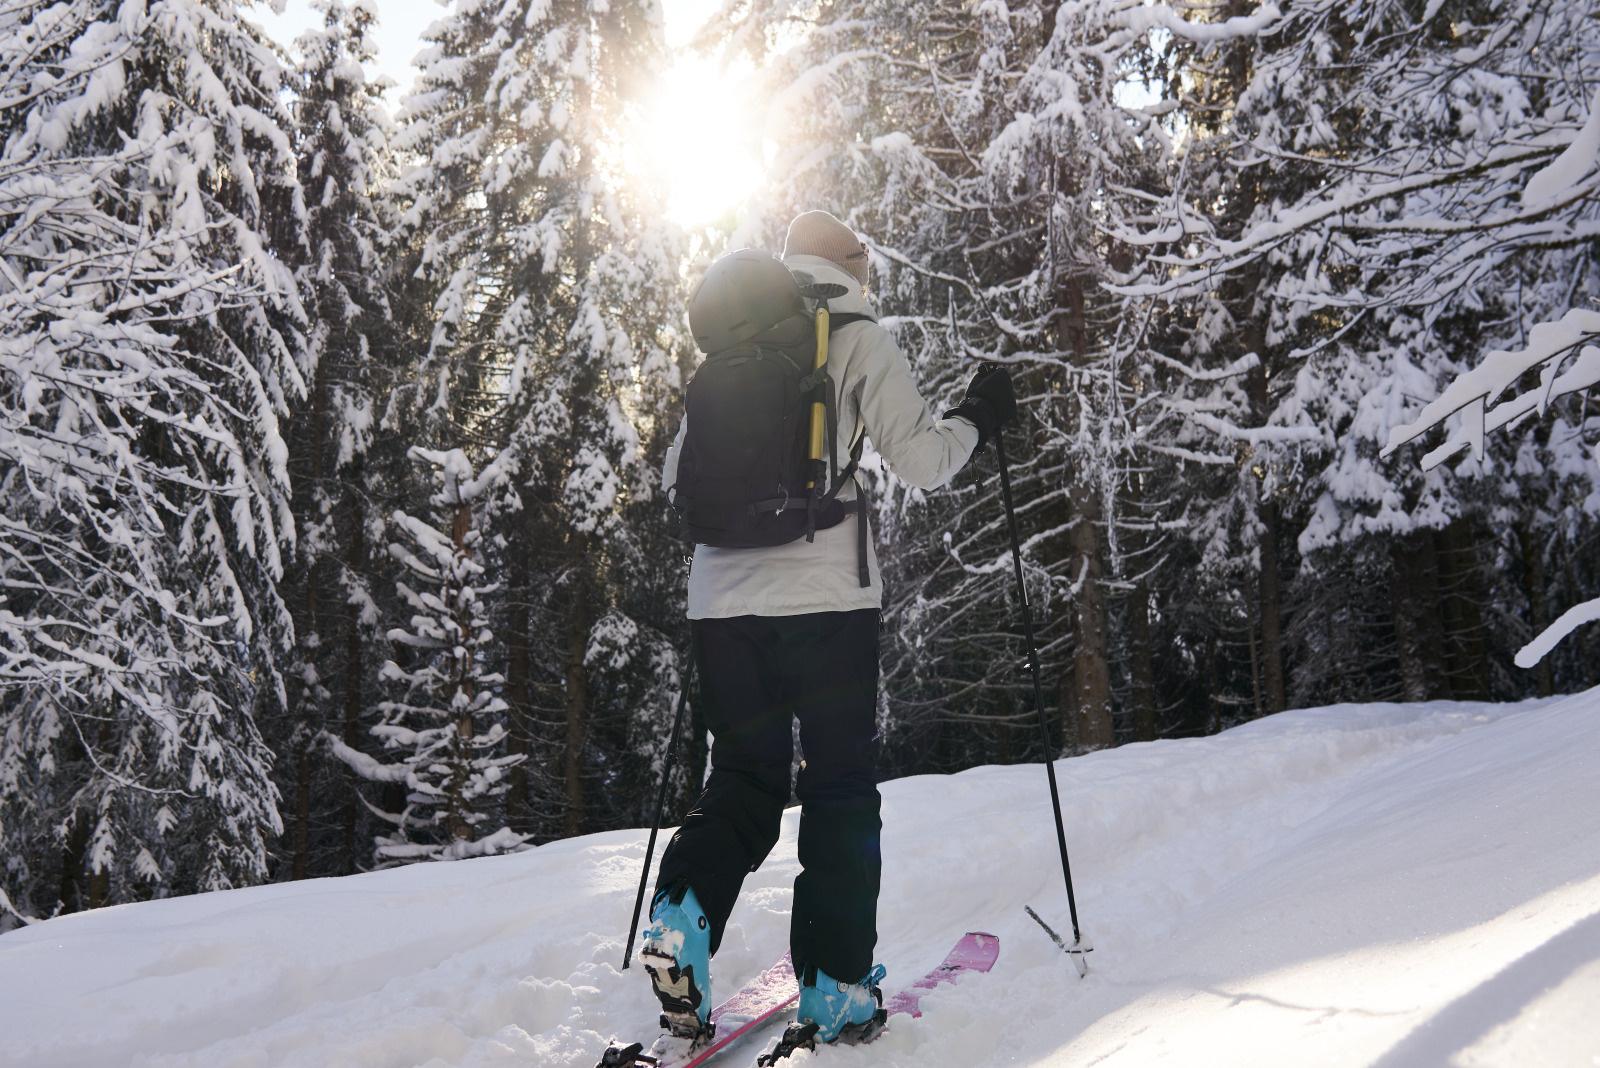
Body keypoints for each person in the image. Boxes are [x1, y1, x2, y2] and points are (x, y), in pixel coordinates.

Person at [641, 209, 1016, 1047]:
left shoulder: (731, 350)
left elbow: (677, 477)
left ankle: (680, 919)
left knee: (742, 778)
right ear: (849, 264)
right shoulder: (858, 334)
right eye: (865, 258)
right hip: (828, 604)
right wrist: (983, 415)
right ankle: (837, 989)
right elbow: (925, 460)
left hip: (721, 599)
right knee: (840, 785)